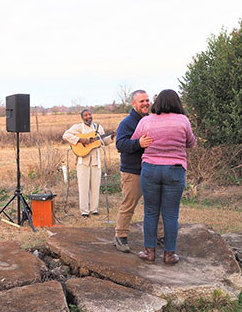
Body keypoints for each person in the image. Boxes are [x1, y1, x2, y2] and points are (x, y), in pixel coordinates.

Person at [132, 89, 196, 265]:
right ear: (177, 103)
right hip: (175, 170)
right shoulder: (183, 121)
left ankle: (149, 252)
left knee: (151, 212)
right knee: (170, 214)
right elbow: (191, 143)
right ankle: (169, 255)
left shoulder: (146, 121)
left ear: (158, 102)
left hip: (150, 169)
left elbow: (135, 140)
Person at [113, 90, 163, 253]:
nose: (145, 103)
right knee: (129, 204)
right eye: (141, 101)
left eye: (147, 100)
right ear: (133, 104)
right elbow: (120, 145)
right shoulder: (127, 123)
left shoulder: (153, 120)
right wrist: (138, 144)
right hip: (133, 172)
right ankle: (120, 237)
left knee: (157, 205)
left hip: (152, 169)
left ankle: (160, 236)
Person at [62, 109, 114, 217]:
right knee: (83, 186)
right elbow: (66, 135)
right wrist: (82, 140)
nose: (88, 116)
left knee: (95, 186)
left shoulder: (98, 128)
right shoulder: (78, 127)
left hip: (95, 160)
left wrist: (112, 137)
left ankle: (94, 209)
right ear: (82, 117)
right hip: (82, 160)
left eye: (89, 114)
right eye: (86, 115)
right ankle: (84, 211)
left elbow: (103, 141)